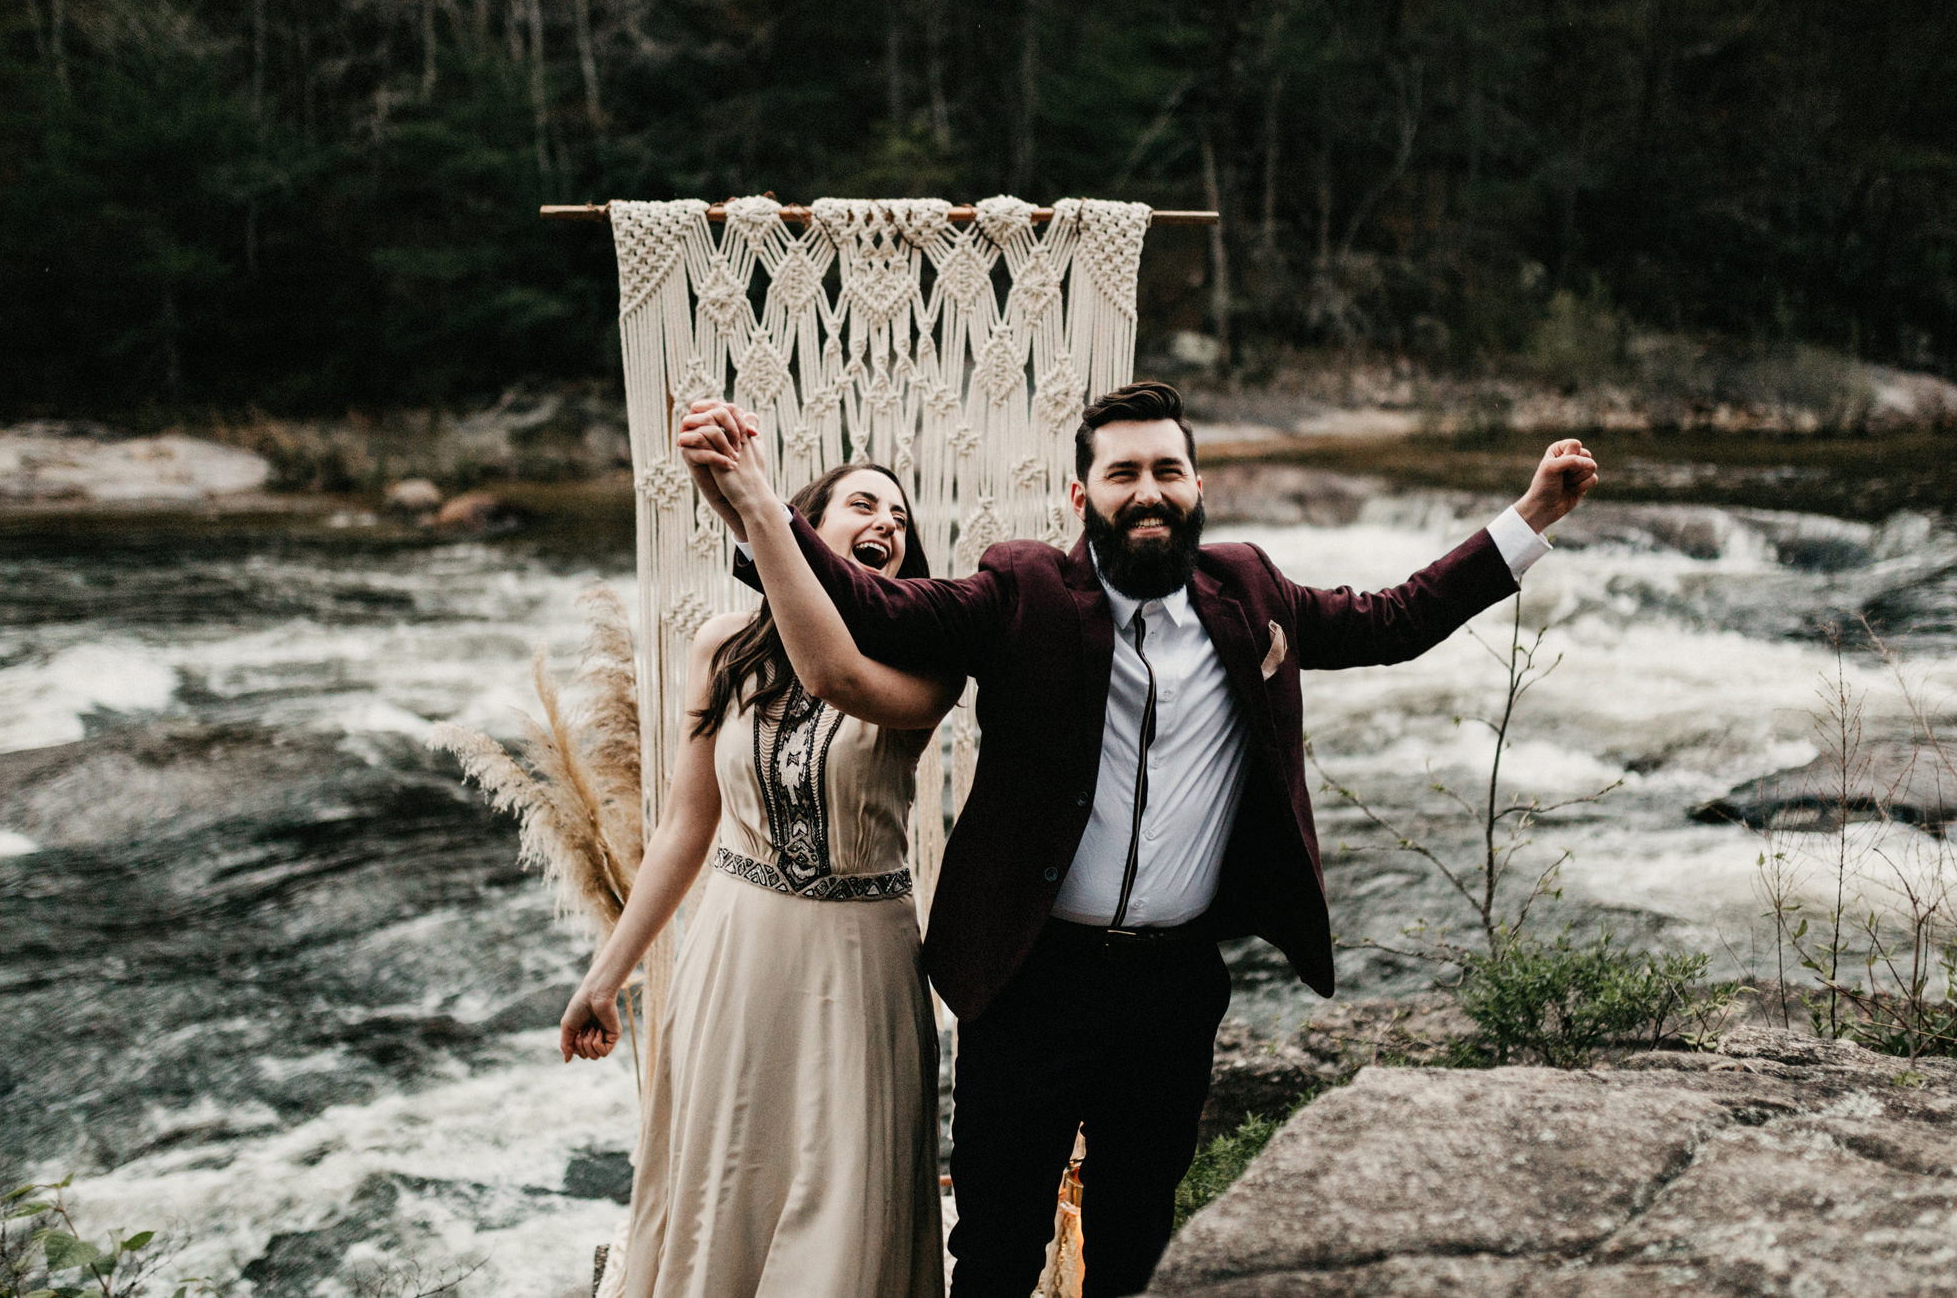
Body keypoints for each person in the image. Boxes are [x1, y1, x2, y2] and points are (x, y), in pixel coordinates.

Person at [678, 382, 1598, 1298]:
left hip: (1171, 987)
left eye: (1169, 469)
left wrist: (1531, 516)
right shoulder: (1021, 589)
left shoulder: (1251, 591)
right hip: (1029, 979)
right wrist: (760, 504)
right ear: (1083, 498)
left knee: (1135, 1247)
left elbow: (1396, 620)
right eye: (1123, 472)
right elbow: (878, 609)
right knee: (996, 1250)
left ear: (1198, 488)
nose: (1148, 490)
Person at [557, 461, 962, 1298]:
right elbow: (684, 828)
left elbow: (834, 677)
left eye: (899, 514)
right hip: (737, 957)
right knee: (725, 1195)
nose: (885, 519)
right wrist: (606, 975)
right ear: (811, 522)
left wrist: (753, 507)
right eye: (862, 503)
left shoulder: (930, 659)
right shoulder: (723, 644)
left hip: (862, 967)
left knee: (845, 1203)